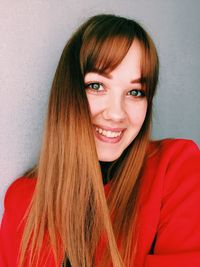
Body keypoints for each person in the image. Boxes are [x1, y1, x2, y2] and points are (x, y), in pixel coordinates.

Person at [0, 14, 200, 267]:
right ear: (69, 93)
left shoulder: (175, 168)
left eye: (135, 92)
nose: (116, 113)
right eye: (97, 86)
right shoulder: (24, 201)